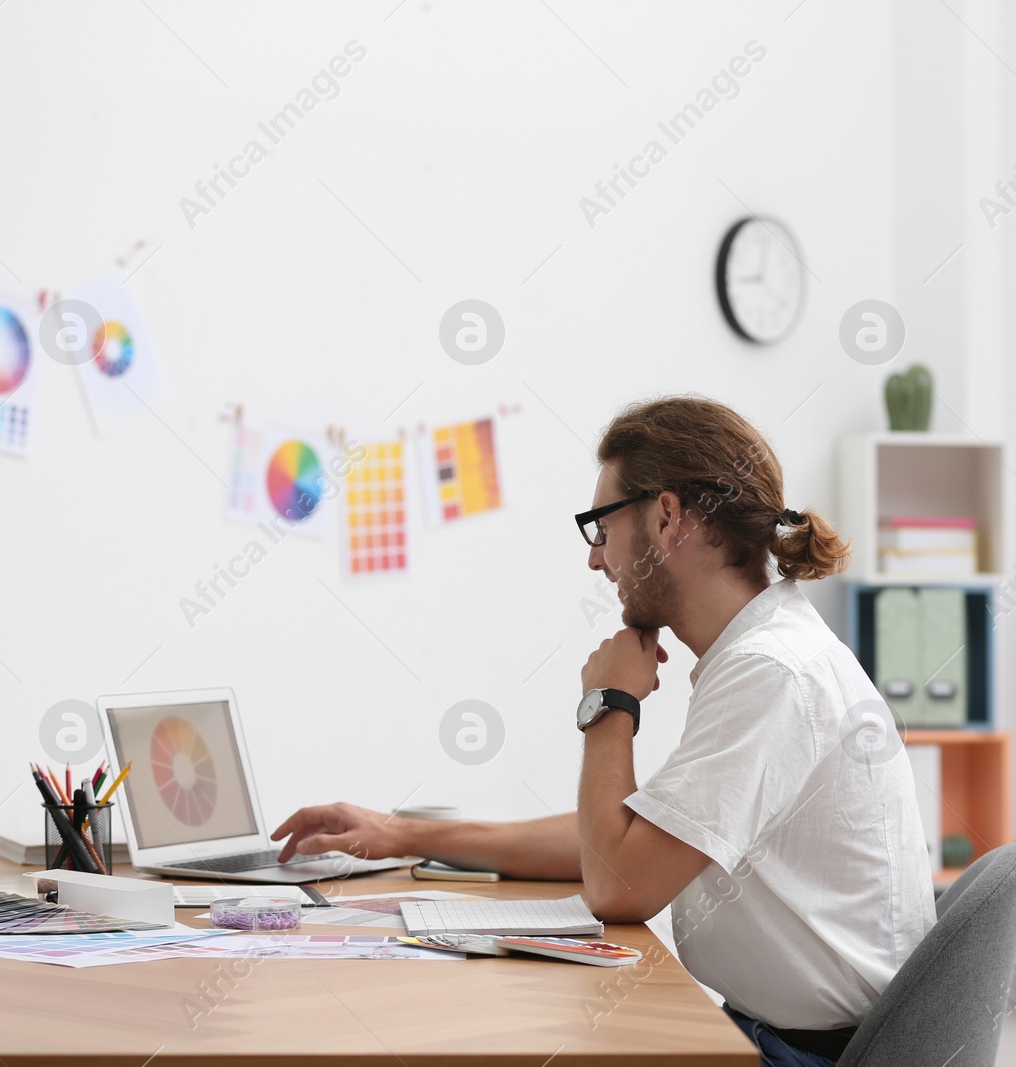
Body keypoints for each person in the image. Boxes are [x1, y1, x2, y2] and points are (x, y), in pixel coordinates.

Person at [273, 396, 935, 1066]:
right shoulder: (763, 651)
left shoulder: (771, 673)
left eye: (601, 526)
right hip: (781, 1035)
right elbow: (623, 843)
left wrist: (608, 705)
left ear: (667, 515)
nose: (597, 561)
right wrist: (405, 834)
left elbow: (618, 884)